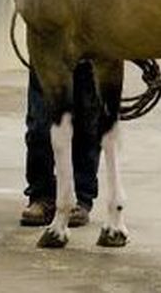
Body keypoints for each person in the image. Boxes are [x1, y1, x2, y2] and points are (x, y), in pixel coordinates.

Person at [20, 61, 103, 228]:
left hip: (91, 47)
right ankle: (42, 196)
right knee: (40, 126)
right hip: (48, 49)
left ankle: (81, 198)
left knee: (86, 123)